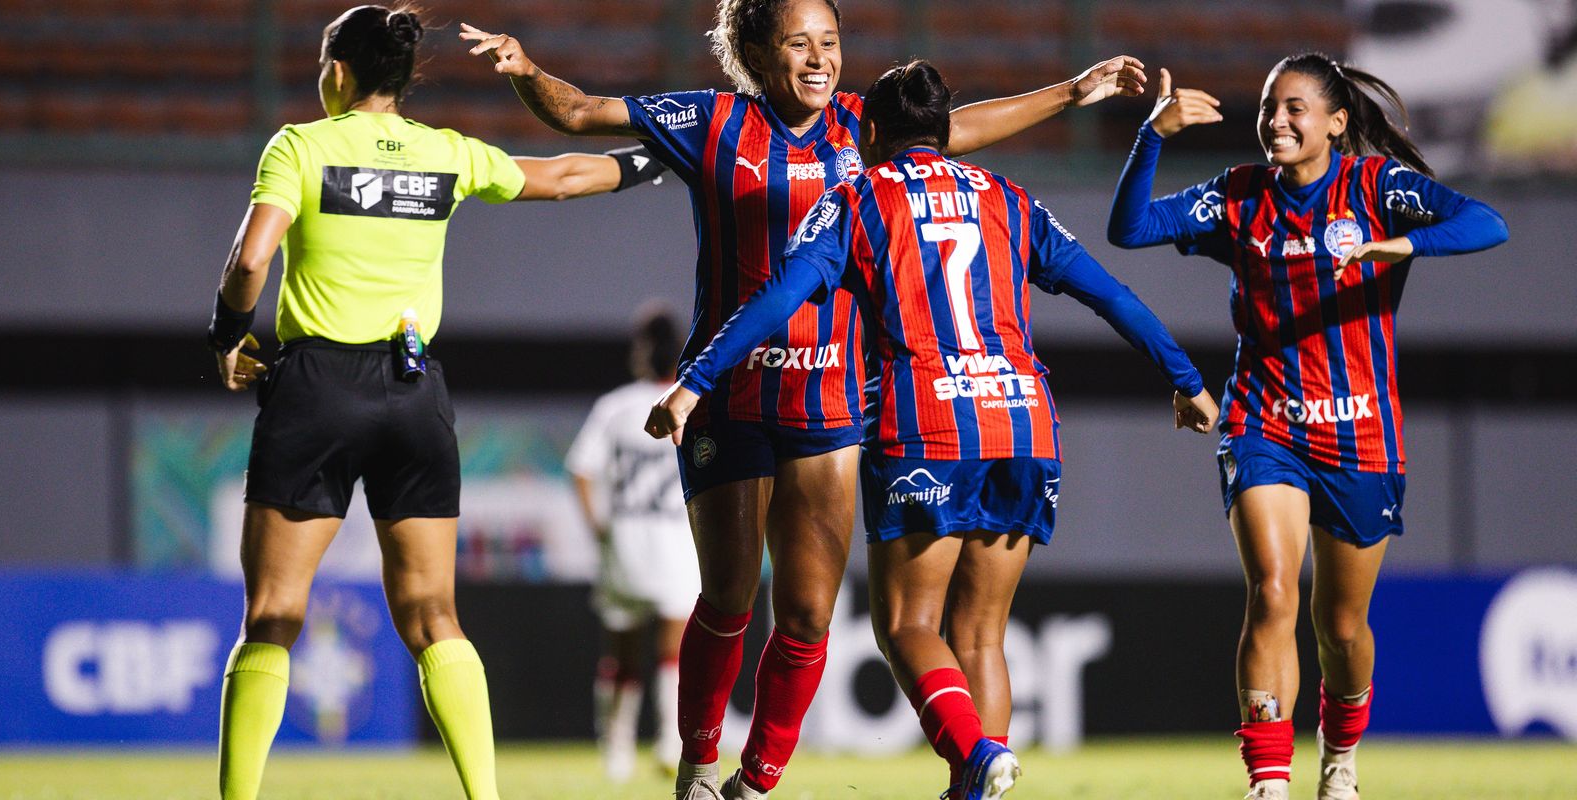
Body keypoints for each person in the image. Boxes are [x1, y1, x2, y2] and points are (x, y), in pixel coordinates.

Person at [460, 4, 1150, 797]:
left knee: (810, 615)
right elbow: (581, 113)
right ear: (755, 51)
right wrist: (525, 72)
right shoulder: (712, 121)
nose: (820, 59)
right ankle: (697, 766)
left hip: (828, 402)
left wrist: (1072, 91)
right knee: (724, 596)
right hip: (729, 393)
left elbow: (960, 129)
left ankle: (756, 784)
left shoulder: (868, 127)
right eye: (799, 43)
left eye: (831, 41)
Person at [647, 60, 1219, 800]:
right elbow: (1110, 293)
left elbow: (778, 297)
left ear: (871, 132)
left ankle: (976, 756)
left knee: (908, 626)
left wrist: (696, 380)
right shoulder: (1008, 198)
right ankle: (974, 781)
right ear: (948, 132)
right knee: (980, 633)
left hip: (928, 424)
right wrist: (1187, 379)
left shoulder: (857, 195)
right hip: (1024, 425)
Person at [204, 6, 665, 799]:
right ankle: (483, 797)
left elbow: (251, 259)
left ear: (338, 73)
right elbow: (559, 177)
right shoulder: (445, 155)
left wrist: (226, 336)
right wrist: (663, 157)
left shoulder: (302, 146)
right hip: (413, 396)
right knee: (433, 616)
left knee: (274, 615)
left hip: (317, 388)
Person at [1105, 55, 1509, 800]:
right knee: (1273, 590)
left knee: (1342, 630)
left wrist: (1404, 243)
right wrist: (1151, 137)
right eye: (1267, 108)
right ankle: (1267, 780)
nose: (1276, 122)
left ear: (1336, 122)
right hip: (1264, 425)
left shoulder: (1377, 189)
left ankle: (1340, 757)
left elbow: (1488, 222)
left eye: (1294, 108)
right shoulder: (1239, 197)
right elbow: (1128, 228)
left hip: (1361, 437)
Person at [566, 302, 702, 782]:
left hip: (624, 539)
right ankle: (671, 741)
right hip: (676, 540)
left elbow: (580, 468)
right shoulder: (690, 401)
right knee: (674, 649)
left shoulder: (616, 406)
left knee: (622, 654)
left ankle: (616, 749)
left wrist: (598, 525)